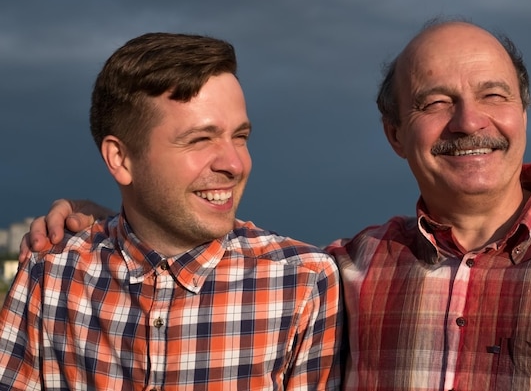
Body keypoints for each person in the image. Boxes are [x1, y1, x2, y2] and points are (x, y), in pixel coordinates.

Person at [20, 18, 531, 390]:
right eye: (435, 102)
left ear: (523, 111)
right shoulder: (349, 269)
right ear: (394, 134)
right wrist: (102, 218)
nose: (470, 120)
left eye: (493, 94)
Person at [1, 32, 343, 390]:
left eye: (240, 137)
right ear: (120, 159)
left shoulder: (303, 282)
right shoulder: (52, 274)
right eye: (200, 139)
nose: (234, 163)